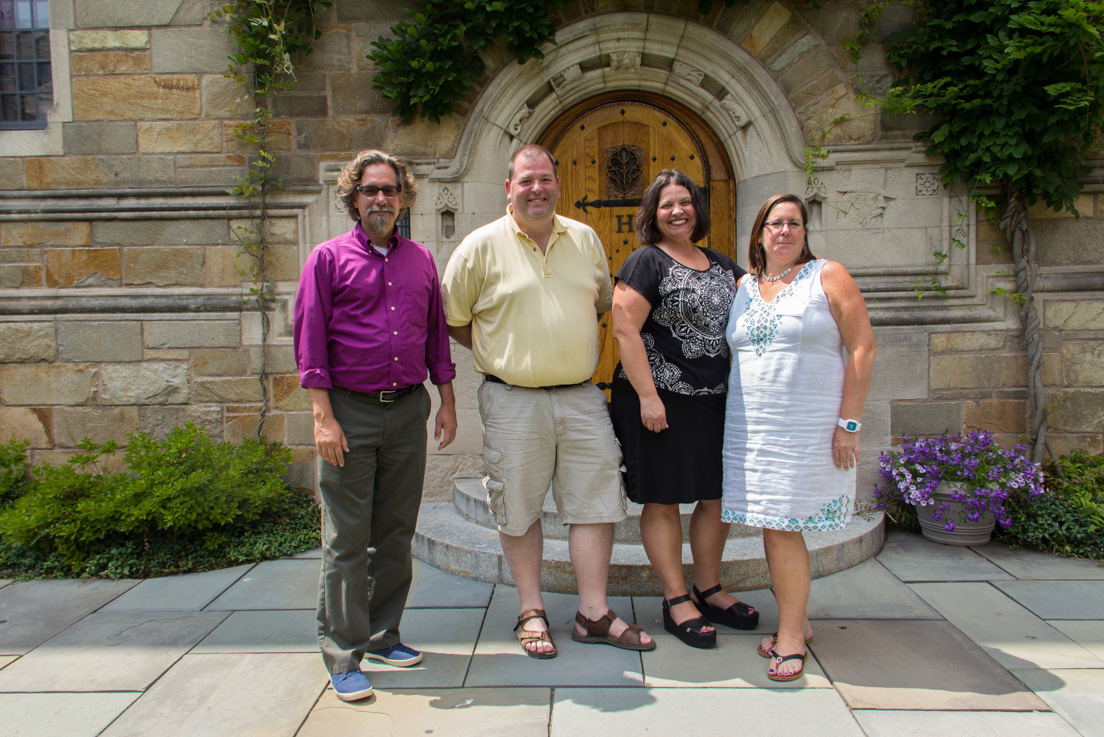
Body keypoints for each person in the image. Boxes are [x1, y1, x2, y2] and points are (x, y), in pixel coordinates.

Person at [442, 143, 654, 659]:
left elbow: (602, 303)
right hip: (512, 400)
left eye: (545, 179)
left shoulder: (584, 238)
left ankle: (594, 613)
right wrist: (503, 352)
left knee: (597, 503)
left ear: (557, 184)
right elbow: (454, 320)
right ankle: (531, 610)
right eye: (526, 180)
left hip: (581, 398)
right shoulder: (478, 246)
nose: (536, 188)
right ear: (509, 188)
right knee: (517, 505)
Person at [293, 149, 458, 702]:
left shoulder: (420, 260)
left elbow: (436, 336)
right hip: (349, 412)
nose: (381, 200)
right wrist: (323, 419)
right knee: (346, 538)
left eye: (389, 190)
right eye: (371, 191)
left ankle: (385, 633)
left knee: (395, 530)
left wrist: (448, 400)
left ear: (403, 198)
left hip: (409, 410)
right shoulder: (327, 259)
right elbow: (310, 342)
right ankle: (342, 653)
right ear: (354, 199)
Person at [721, 193, 876, 681]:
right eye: (775, 223)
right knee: (773, 525)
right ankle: (798, 620)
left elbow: (863, 347)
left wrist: (849, 423)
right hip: (753, 430)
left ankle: (790, 637)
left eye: (794, 223)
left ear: (805, 233)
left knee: (784, 527)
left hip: (808, 428)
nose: (784, 231)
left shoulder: (827, 275)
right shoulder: (744, 285)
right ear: (760, 233)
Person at [610, 170, 759, 649]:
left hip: (713, 401)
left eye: (686, 202)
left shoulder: (720, 264)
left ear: (698, 208)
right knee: (666, 497)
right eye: (667, 204)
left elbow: (764, 304)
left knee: (715, 494)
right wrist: (649, 397)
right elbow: (624, 330)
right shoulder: (645, 261)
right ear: (653, 213)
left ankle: (708, 588)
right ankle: (676, 600)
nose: (678, 211)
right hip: (659, 400)